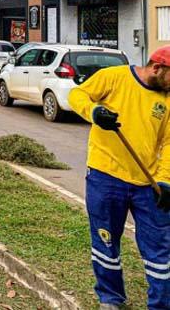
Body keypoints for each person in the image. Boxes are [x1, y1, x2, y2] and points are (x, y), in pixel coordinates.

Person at [69, 46, 170, 310]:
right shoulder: (114, 77)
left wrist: (165, 180)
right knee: (106, 239)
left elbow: (169, 143)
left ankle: (161, 304)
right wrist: (94, 112)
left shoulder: (168, 99)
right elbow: (77, 94)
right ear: (157, 68)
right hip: (105, 176)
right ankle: (110, 298)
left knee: (160, 247)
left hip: (148, 185)